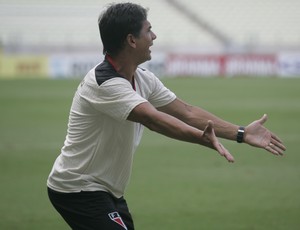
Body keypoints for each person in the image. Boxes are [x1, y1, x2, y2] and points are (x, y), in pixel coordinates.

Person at [47, 2, 286, 230]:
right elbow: (152, 119)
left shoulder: (143, 78)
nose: (154, 37)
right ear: (131, 40)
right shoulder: (104, 83)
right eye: (148, 30)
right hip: (77, 187)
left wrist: (241, 133)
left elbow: (187, 112)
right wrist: (201, 138)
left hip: (108, 189)